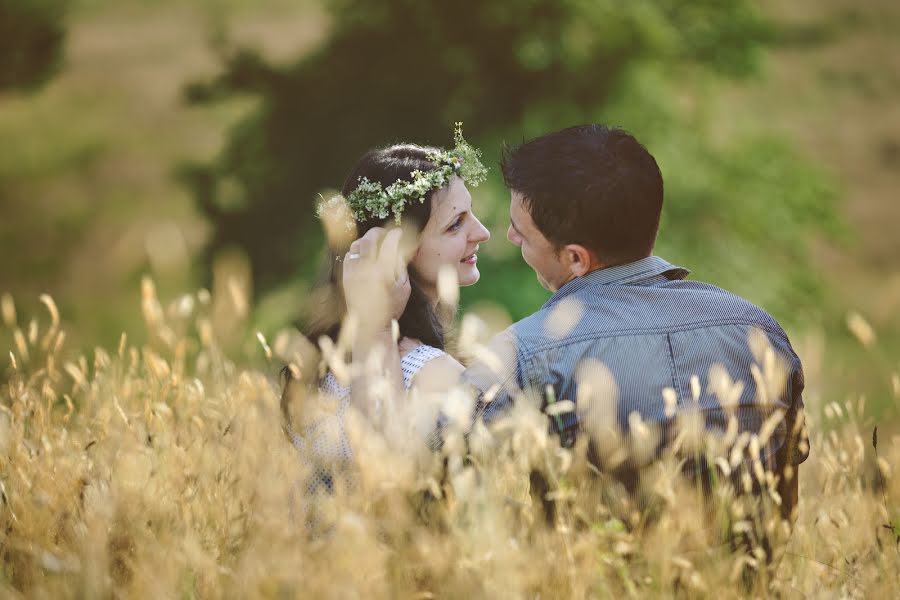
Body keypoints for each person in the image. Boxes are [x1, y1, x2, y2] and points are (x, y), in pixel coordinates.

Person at [351, 124, 809, 522]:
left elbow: (404, 486)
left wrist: (373, 325)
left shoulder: (526, 354)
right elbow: (786, 485)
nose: (505, 237)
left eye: (522, 233)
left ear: (575, 258)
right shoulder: (760, 331)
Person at [281, 125, 491, 494]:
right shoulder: (432, 373)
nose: (482, 232)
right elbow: (395, 491)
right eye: (455, 224)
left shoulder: (318, 367)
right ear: (398, 250)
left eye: (470, 214)